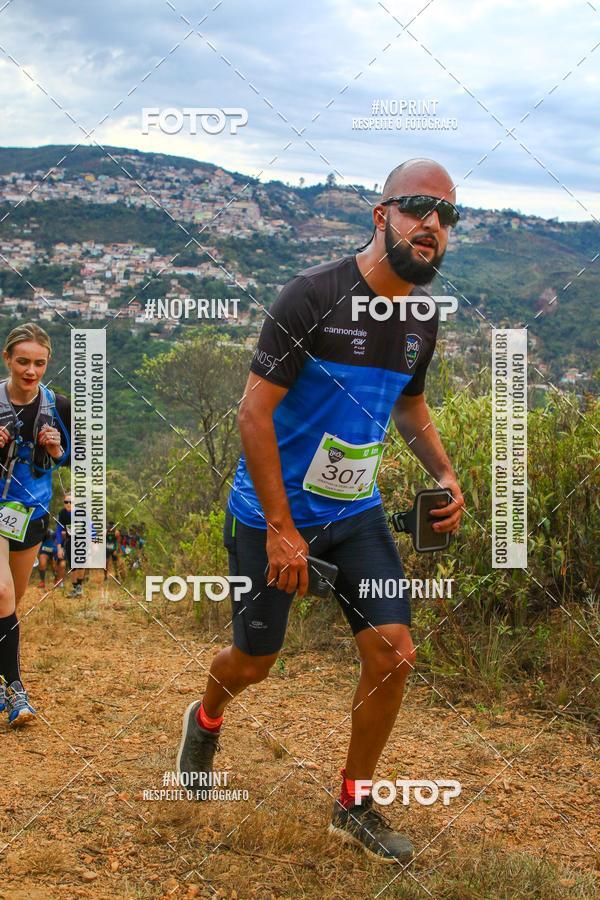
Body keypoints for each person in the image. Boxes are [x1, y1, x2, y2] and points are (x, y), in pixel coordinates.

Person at [176, 159, 466, 861]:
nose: (431, 225)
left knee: (393, 655)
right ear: (381, 216)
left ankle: (352, 804)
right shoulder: (313, 295)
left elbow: (409, 403)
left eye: (446, 216)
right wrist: (281, 530)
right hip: (269, 513)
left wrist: (445, 471)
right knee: (254, 660)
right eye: (417, 208)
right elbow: (253, 413)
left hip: (355, 511)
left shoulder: (422, 318)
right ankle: (206, 716)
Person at [0, 323, 70, 726]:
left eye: (38, 363)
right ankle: (16, 692)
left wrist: (56, 448)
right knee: (1, 590)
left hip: (30, 512)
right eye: (23, 361)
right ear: (7, 359)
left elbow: (74, 457)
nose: (30, 370)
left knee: (10, 601)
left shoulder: (59, 405)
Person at [55, 493, 85, 598]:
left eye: (71, 502)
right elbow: (58, 530)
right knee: (73, 566)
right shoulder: (62, 514)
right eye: (66, 502)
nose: (68, 504)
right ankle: (75, 588)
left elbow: (90, 526)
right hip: (69, 541)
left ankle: (79, 587)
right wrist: (59, 547)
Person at [37, 525, 57, 589]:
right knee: (42, 563)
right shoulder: (39, 531)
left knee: (54, 566)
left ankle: (56, 579)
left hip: (54, 550)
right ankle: (42, 581)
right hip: (44, 551)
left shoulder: (54, 532)